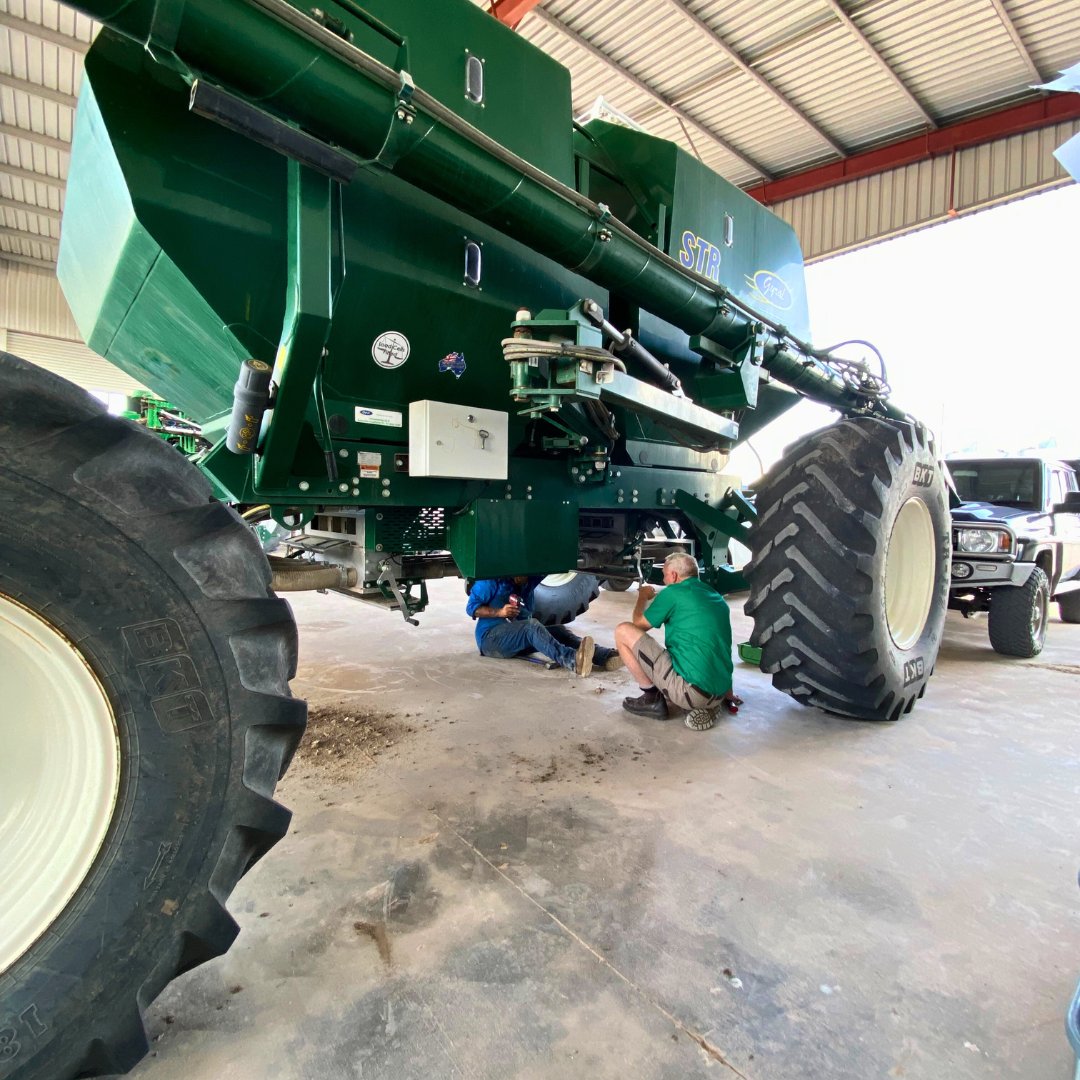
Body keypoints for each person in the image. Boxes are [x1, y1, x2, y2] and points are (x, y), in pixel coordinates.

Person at [613, 552, 737, 730]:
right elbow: (720, 644)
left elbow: (638, 623)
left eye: (664, 575)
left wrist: (643, 595)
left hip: (691, 692)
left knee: (623, 631)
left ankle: (651, 699)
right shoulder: (714, 596)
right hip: (720, 690)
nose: (664, 580)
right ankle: (709, 705)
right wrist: (728, 692)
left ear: (674, 575)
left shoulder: (673, 592)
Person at [466, 575, 623, 676]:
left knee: (559, 631)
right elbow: (471, 608)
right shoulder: (490, 581)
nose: (525, 578)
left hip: (513, 637)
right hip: (490, 639)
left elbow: (526, 615)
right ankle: (573, 660)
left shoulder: (528, 584)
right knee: (532, 627)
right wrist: (499, 613)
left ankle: (603, 656)